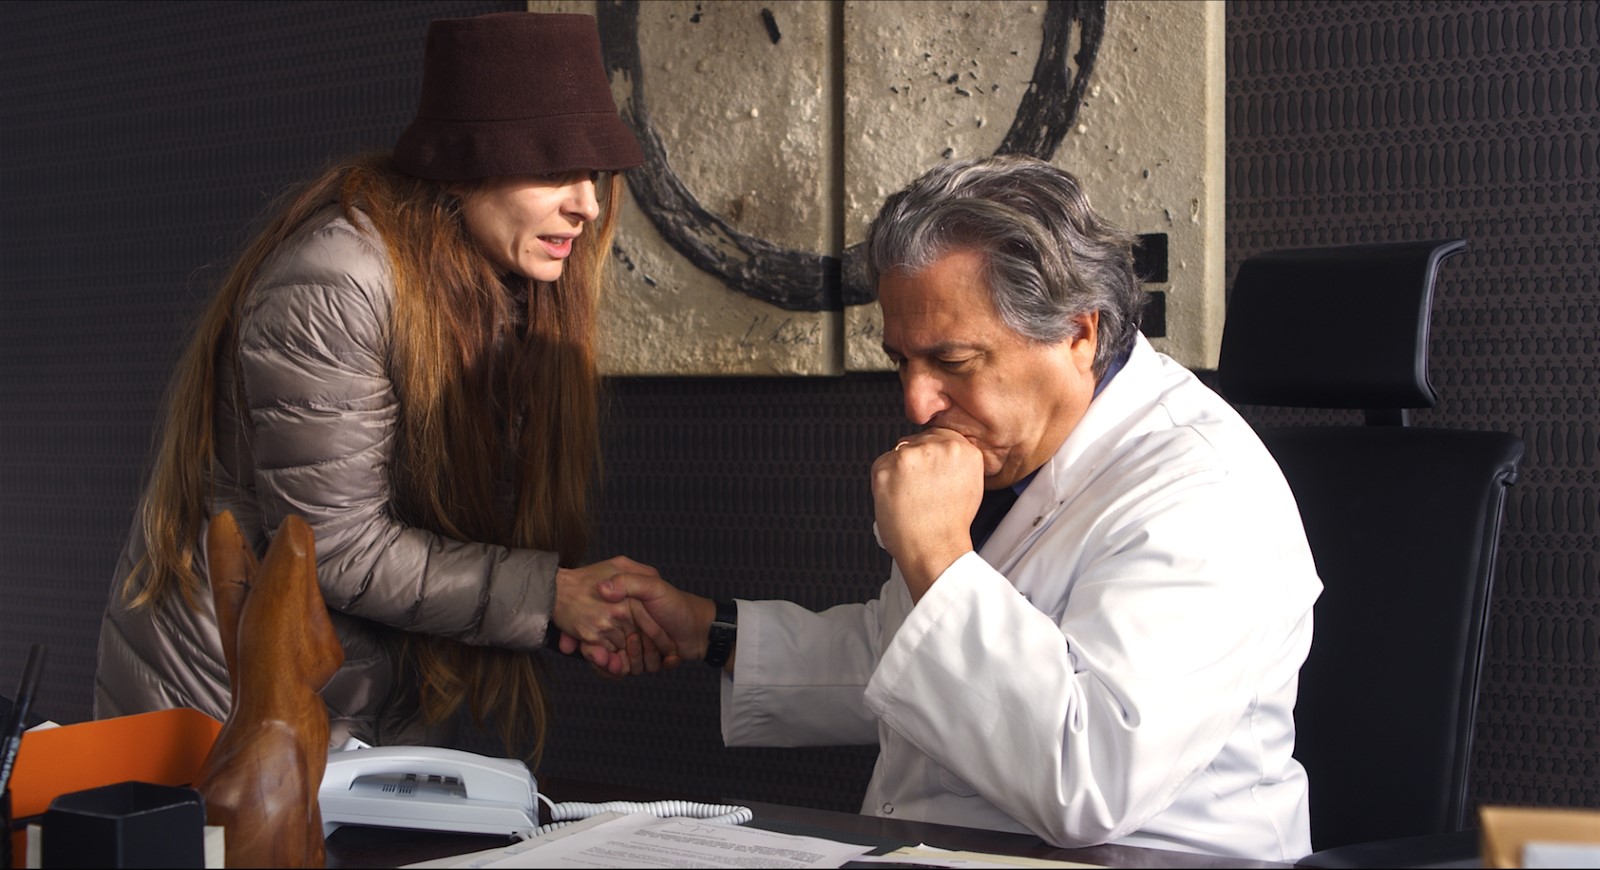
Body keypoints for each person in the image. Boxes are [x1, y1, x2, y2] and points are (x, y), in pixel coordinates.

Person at [575, 155, 1324, 861]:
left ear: (1078, 332)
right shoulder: (1015, 453)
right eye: (901, 360)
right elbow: (909, 659)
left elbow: (1090, 780)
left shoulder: (1205, 495)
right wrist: (709, 631)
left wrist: (936, 553)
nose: (916, 401)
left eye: (952, 361)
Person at [94, 12, 674, 766]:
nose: (588, 205)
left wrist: (578, 602)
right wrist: (550, 596)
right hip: (228, 710)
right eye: (553, 171)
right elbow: (334, 549)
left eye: (594, 176)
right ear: (461, 165)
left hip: (356, 709)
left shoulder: (499, 288)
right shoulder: (339, 281)